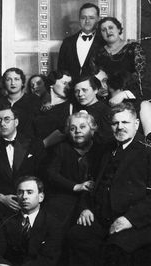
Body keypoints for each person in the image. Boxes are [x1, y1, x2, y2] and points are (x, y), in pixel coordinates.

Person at [68, 102, 151, 266]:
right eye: (115, 123)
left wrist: (129, 219)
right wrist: (85, 207)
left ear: (136, 124)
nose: (120, 127)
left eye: (125, 122)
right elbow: (91, 183)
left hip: (135, 221)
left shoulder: (147, 152)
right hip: (100, 218)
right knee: (75, 237)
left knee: (116, 250)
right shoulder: (105, 149)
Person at [0, 176, 63, 266]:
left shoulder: (53, 224)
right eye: (20, 192)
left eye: (29, 192)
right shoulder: (7, 222)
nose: (24, 197)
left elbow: (49, 260)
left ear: (41, 197)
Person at [45, 111, 103, 228]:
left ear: (92, 130)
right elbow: (51, 173)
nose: (77, 131)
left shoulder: (100, 149)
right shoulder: (61, 148)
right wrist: (76, 186)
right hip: (65, 197)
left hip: (92, 200)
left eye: (82, 127)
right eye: (73, 128)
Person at [0, 105, 45, 219]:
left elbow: (43, 175)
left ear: (16, 122)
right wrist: (1, 197)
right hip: (5, 204)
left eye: (7, 119)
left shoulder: (34, 144)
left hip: (33, 203)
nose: (2, 124)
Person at [93, 17, 146, 103]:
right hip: (107, 100)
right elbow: (94, 79)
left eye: (111, 27)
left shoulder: (134, 48)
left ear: (118, 29)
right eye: (103, 30)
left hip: (130, 98)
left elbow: (142, 79)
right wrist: (98, 91)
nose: (108, 32)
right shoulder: (98, 53)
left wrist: (125, 95)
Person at [58, 3, 104, 82]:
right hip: (71, 91)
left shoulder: (104, 42)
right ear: (79, 19)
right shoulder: (67, 42)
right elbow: (61, 70)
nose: (87, 21)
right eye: (83, 18)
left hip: (96, 92)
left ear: (98, 19)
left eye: (91, 18)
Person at [33, 70, 73, 148]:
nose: (68, 87)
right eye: (64, 83)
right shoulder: (37, 105)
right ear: (51, 84)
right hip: (38, 152)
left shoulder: (71, 106)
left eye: (69, 84)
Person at [0, 67, 41, 138]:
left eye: (16, 79)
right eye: (8, 80)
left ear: (22, 82)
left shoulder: (33, 100)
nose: (13, 83)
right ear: (4, 83)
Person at [74, 75, 113, 144]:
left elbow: (107, 141)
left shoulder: (105, 111)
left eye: (84, 90)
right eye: (77, 91)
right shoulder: (75, 109)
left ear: (95, 90)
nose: (80, 94)